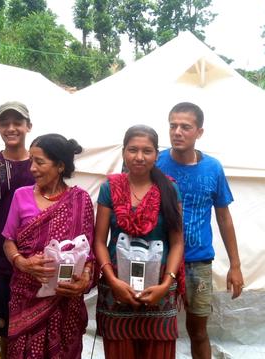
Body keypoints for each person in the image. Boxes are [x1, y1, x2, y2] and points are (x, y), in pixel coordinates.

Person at [156, 102, 244, 359]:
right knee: (156, 327)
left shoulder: (212, 168)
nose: (177, 132)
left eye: (185, 127)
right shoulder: (154, 162)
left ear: (199, 132)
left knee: (198, 330)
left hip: (198, 261)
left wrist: (235, 265)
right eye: (173, 126)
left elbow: (224, 217)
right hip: (159, 258)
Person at [95, 125, 184, 359]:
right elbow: (99, 241)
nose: (139, 157)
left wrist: (166, 284)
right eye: (133, 150)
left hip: (159, 290)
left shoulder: (170, 189)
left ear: (157, 154)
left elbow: (177, 243)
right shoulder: (109, 188)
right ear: (123, 152)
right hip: (117, 290)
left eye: (147, 151)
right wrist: (112, 280)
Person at [2, 133, 95, 359]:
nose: (32, 168)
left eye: (40, 162)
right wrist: (22, 263)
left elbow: (87, 252)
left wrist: (84, 278)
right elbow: (8, 241)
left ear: (60, 166)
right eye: (31, 161)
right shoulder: (21, 196)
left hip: (65, 299)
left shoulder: (80, 200)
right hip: (26, 296)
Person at [0, 101, 35, 358]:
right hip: (0, 261)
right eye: (5, 124)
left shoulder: (40, 165)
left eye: (17, 123)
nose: (12, 128)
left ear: (28, 126)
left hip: (35, 257)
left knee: (32, 323)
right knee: (5, 326)